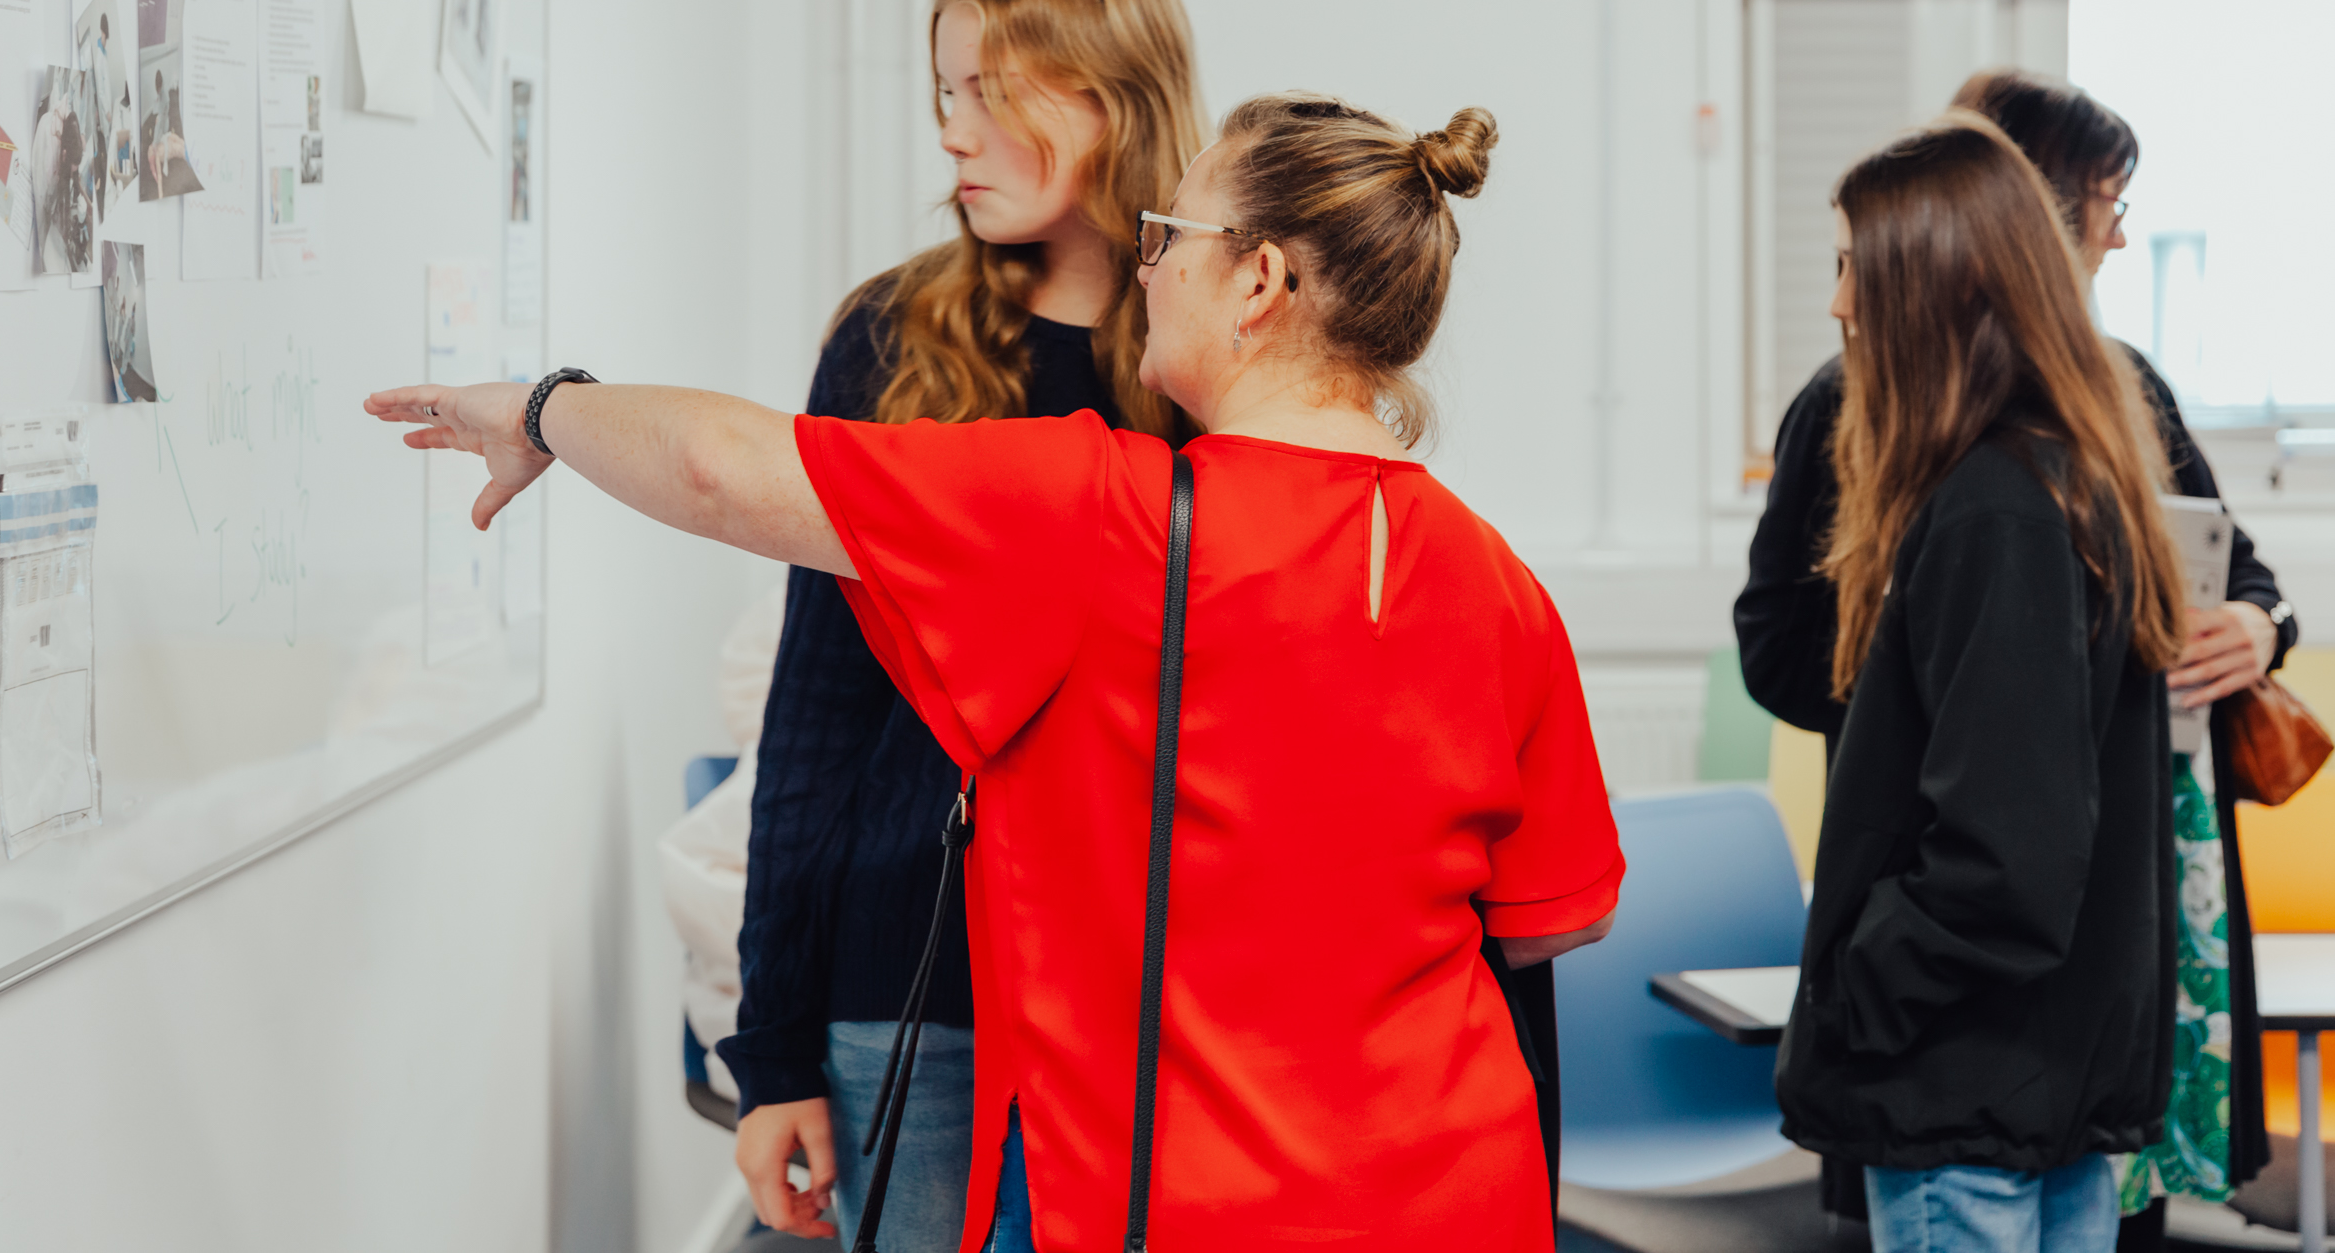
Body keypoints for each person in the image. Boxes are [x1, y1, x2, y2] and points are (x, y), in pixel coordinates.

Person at [365, 91, 1625, 1252]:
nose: (1147, 266)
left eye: (1165, 234)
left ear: (1257, 280)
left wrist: (539, 407)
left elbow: (722, 467)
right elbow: (1558, 915)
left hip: (1204, 1213)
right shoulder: (1499, 579)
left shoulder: (1105, 513)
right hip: (1465, 1195)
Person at [1736, 71, 2294, 1243]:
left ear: (1930, 284)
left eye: (1852, 265)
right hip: (2034, 1060)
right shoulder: (2060, 462)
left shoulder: (1994, 505)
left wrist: (1856, 991)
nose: (1837, 303)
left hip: (1966, 1072)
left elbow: (1998, 860)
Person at [722, 0, 1207, 1248]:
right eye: (944, 92)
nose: (951, 131)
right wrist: (773, 1052)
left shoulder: (1218, 361)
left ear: (1115, 97)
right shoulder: (887, 338)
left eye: (992, 94)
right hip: (907, 989)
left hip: (1147, 989)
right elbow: (816, 711)